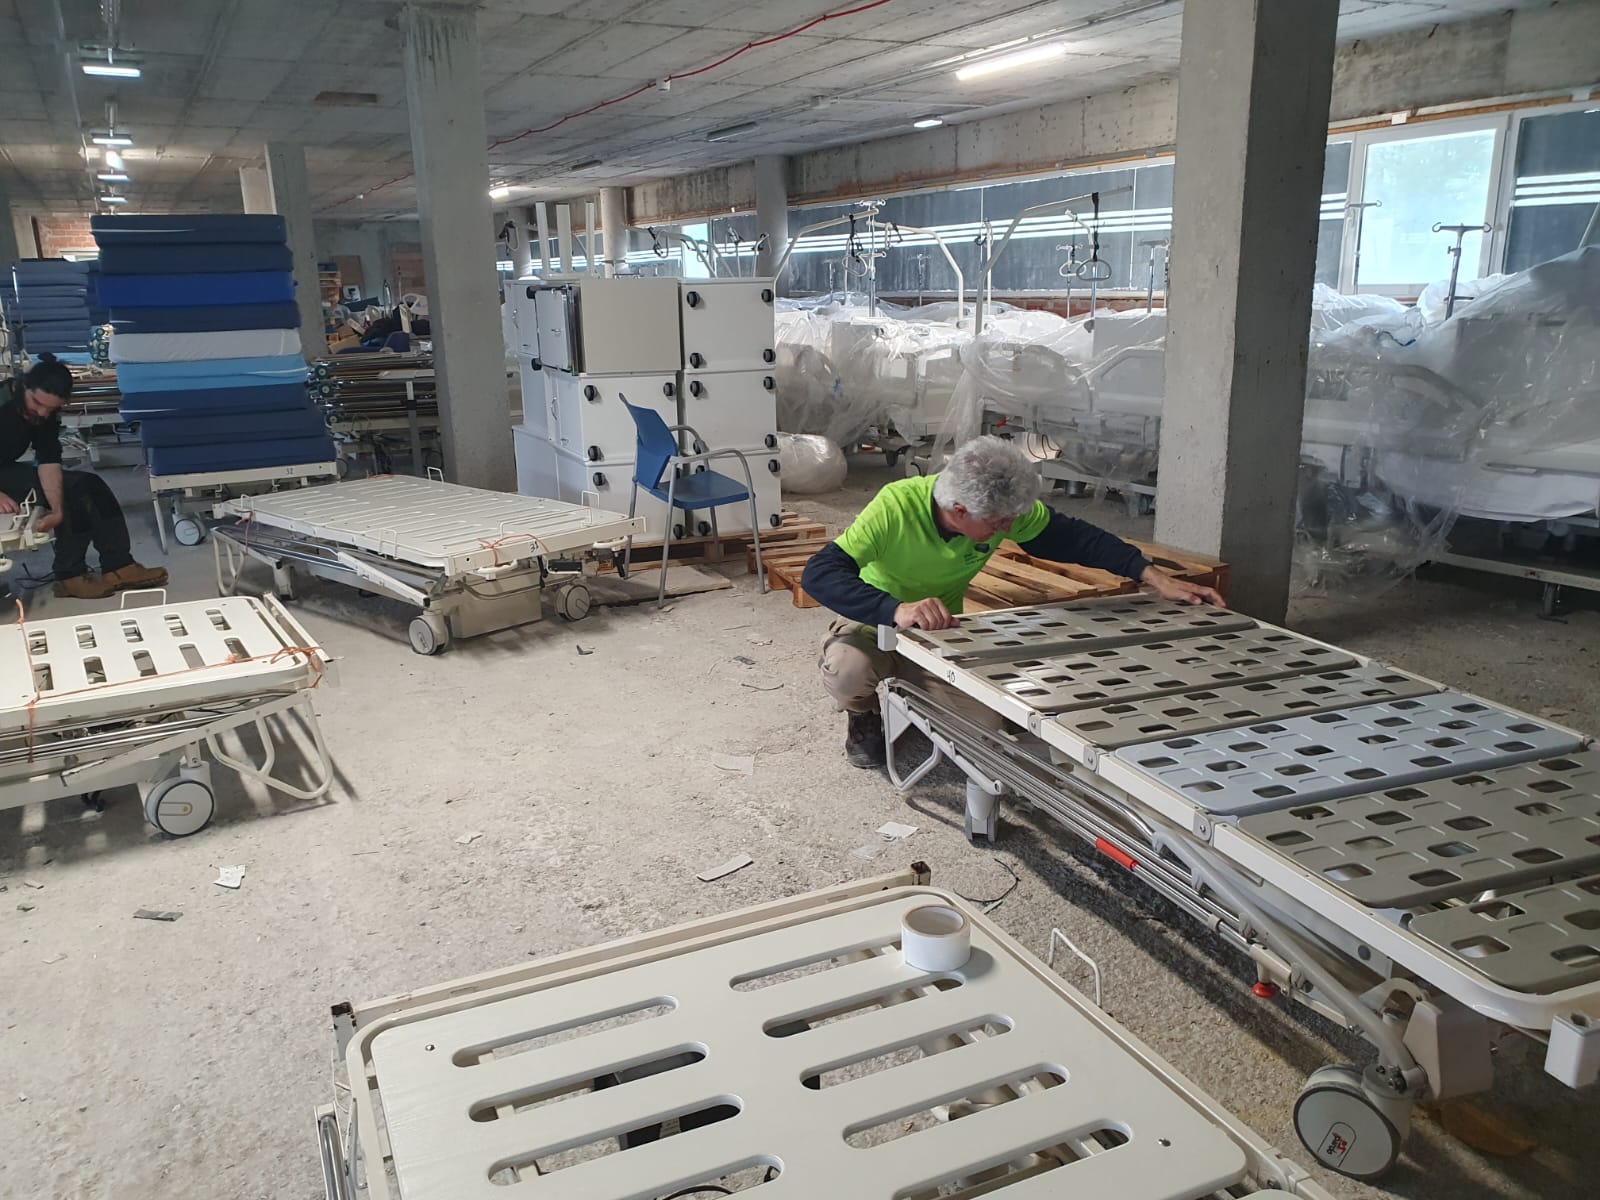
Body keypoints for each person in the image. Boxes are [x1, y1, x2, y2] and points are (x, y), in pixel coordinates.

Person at [802, 436, 1225, 767]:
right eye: (998, 522)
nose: (1007, 529)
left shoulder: (998, 511)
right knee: (848, 670)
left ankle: (917, 692)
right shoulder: (895, 506)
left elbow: (1075, 537)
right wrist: (896, 609)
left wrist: (1152, 576)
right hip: (877, 620)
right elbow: (820, 573)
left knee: (988, 730)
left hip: (943, 631)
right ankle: (863, 714)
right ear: (959, 509)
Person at [0, 354, 168, 599]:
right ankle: (69, 576)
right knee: (74, 492)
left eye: (51, 408)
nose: (42, 412)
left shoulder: (44, 415)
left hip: (4, 468)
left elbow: (49, 461)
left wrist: (57, 511)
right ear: (24, 385)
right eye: (37, 403)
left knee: (87, 484)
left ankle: (119, 566)